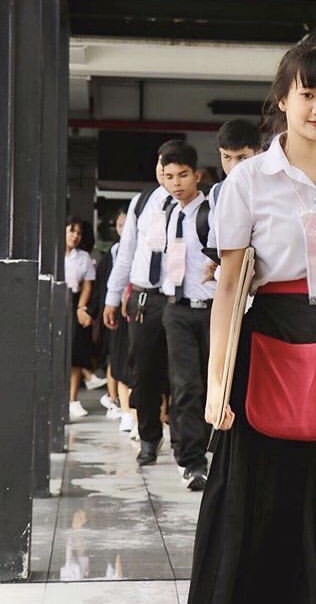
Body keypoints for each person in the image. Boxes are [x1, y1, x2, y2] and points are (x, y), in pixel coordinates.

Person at [189, 41, 316, 604]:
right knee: (264, 510)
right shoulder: (249, 181)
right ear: (283, 99)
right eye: (308, 94)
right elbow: (230, 286)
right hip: (270, 350)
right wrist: (216, 383)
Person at [103, 147, 174, 467]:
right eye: (161, 164)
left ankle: (187, 446)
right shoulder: (142, 202)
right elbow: (127, 252)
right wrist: (112, 296)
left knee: (184, 375)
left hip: (180, 300)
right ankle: (148, 437)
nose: (165, 172)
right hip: (144, 299)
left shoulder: (199, 203)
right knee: (144, 373)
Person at [160, 141, 216, 491]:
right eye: (169, 176)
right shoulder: (167, 211)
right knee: (185, 385)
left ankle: (212, 452)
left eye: (182, 175)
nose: (176, 183)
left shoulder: (212, 211)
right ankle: (192, 461)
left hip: (211, 310)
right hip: (177, 309)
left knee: (214, 385)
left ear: (197, 175)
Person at [93, 209, 134, 426]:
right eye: (120, 226)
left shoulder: (142, 245)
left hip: (139, 306)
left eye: (127, 225)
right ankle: (121, 406)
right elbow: (114, 279)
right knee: (118, 357)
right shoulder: (116, 250)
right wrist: (111, 304)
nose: (124, 230)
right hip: (119, 308)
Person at [66, 216, 97, 419]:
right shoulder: (50, 252)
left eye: (79, 233)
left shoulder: (83, 257)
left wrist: (81, 307)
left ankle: (73, 399)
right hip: (53, 297)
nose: (75, 236)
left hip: (74, 300)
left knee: (75, 351)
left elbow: (87, 284)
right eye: (72, 231)